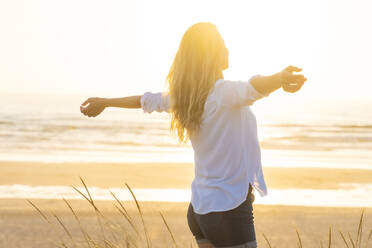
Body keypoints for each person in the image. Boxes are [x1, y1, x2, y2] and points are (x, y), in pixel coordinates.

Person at [80, 22, 307, 248]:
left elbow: (144, 100)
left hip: (200, 211)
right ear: (212, 53)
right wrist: (279, 79)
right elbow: (254, 86)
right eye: (222, 45)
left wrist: (106, 102)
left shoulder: (186, 97)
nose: (227, 49)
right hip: (229, 208)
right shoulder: (223, 93)